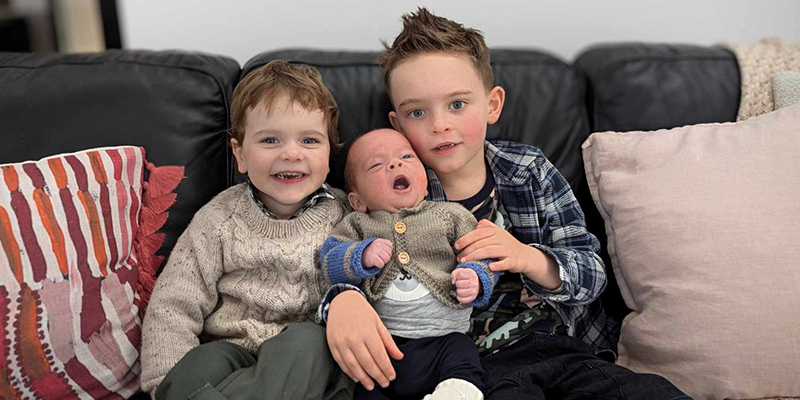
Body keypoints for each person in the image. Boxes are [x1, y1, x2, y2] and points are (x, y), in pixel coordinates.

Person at [319, 8, 691, 400]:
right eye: (417, 112)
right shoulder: (390, 193)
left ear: (492, 105)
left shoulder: (527, 171)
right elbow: (342, 258)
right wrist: (342, 300)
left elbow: (591, 274)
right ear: (398, 126)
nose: (440, 125)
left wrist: (527, 257)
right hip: (470, 366)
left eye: (457, 105)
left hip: (563, 348)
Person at [140, 60, 354, 400]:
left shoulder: (347, 216)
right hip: (233, 359)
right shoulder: (218, 220)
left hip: (309, 368)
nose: (291, 154)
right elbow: (174, 304)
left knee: (308, 339)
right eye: (270, 140)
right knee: (200, 364)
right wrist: (166, 381)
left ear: (330, 153)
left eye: (310, 141)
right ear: (239, 154)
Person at [322, 128, 496, 399]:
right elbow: (329, 261)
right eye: (377, 165)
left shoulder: (449, 215)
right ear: (357, 201)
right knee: (364, 384)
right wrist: (360, 256)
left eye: (406, 156)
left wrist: (476, 277)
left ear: (426, 182)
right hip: (382, 343)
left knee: (463, 359)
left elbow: (482, 253)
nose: (395, 164)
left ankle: (455, 392)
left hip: (446, 338)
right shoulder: (357, 224)